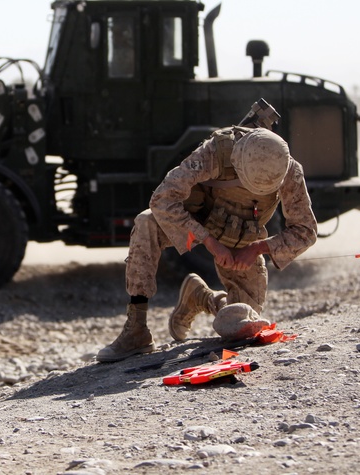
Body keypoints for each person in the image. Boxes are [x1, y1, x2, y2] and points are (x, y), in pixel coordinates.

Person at [96, 119, 318, 363]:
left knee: (238, 326)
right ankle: (136, 329)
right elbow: (162, 198)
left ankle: (202, 297)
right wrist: (209, 241)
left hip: (242, 237)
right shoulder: (216, 151)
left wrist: (258, 248)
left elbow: (306, 230)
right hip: (197, 219)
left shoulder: (288, 169)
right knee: (145, 223)